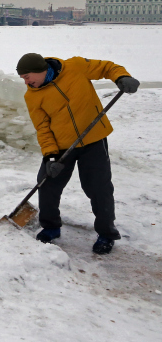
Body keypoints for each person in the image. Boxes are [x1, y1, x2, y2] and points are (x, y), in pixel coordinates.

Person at [17, 53, 140, 254]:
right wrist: (50, 156)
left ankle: (106, 233)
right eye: (22, 78)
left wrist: (121, 77)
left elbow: (107, 67)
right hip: (61, 146)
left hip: (93, 139)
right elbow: (43, 128)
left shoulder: (75, 67)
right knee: (47, 182)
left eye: (27, 76)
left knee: (99, 188)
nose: (26, 81)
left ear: (41, 70)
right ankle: (50, 227)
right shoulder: (32, 96)